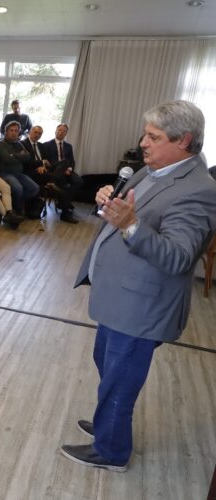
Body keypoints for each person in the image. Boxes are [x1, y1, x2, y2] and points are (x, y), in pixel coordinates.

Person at [61, 100, 216, 472]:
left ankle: (111, 450)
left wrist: (130, 224)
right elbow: (126, 208)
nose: (143, 143)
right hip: (120, 299)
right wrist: (108, 202)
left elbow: (179, 257)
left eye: (153, 137)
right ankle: (107, 424)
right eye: (145, 134)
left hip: (140, 307)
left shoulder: (199, 190)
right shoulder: (156, 168)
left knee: (120, 380)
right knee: (108, 367)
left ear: (184, 141)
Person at [0, 121, 40, 217]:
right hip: (4, 173)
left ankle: (16, 204)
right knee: (18, 188)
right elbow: (6, 159)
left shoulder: (18, 144)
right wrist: (20, 156)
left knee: (35, 188)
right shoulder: (0, 144)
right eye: (11, 130)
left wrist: (13, 155)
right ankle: (18, 210)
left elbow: (28, 157)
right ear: (6, 131)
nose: (14, 133)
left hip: (18, 173)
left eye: (16, 131)